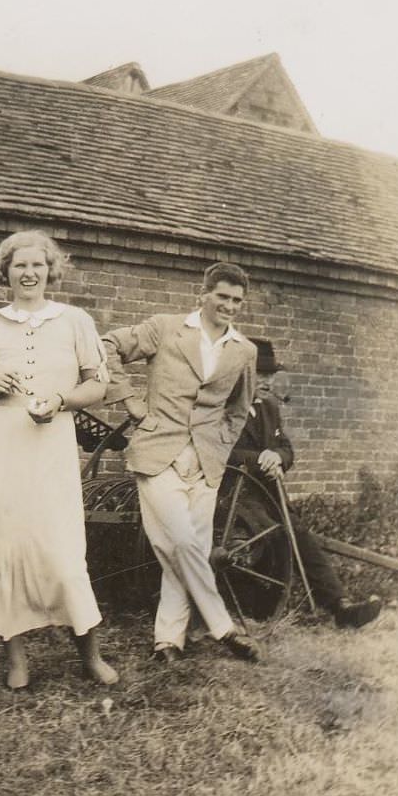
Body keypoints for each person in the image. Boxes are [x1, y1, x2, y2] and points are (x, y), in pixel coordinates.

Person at [0, 230, 118, 690]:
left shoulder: (74, 321)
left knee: (64, 554)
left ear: (50, 271)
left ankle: (90, 654)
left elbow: (97, 385)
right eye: (19, 265)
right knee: (6, 549)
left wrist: (62, 401)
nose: (29, 273)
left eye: (37, 265)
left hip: (51, 446)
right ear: (4, 272)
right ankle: (16, 660)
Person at [102, 262, 261, 662]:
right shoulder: (165, 328)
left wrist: (220, 446)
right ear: (203, 294)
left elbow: (239, 409)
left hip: (206, 463)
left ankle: (167, 642)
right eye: (222, 296)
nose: (229, 305)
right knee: (183, 542)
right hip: (158, 452)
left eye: (236, 300)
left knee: (179, 551)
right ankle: (222, 626)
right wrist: (129, 400)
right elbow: (107, 346)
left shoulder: (244, 350)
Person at [229, 339, 382, 628]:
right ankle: (261, 605)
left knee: (299, 533)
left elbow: (286, 448)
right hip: (232, 496)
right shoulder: (224, 407)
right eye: (260, 373)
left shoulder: (270, 407)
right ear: (241, 373)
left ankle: (340, 607)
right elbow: (216, 449)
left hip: (267, 494)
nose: (267, 380)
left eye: (271, 374)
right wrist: (257, 458)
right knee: (273, 533)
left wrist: (276, 456)